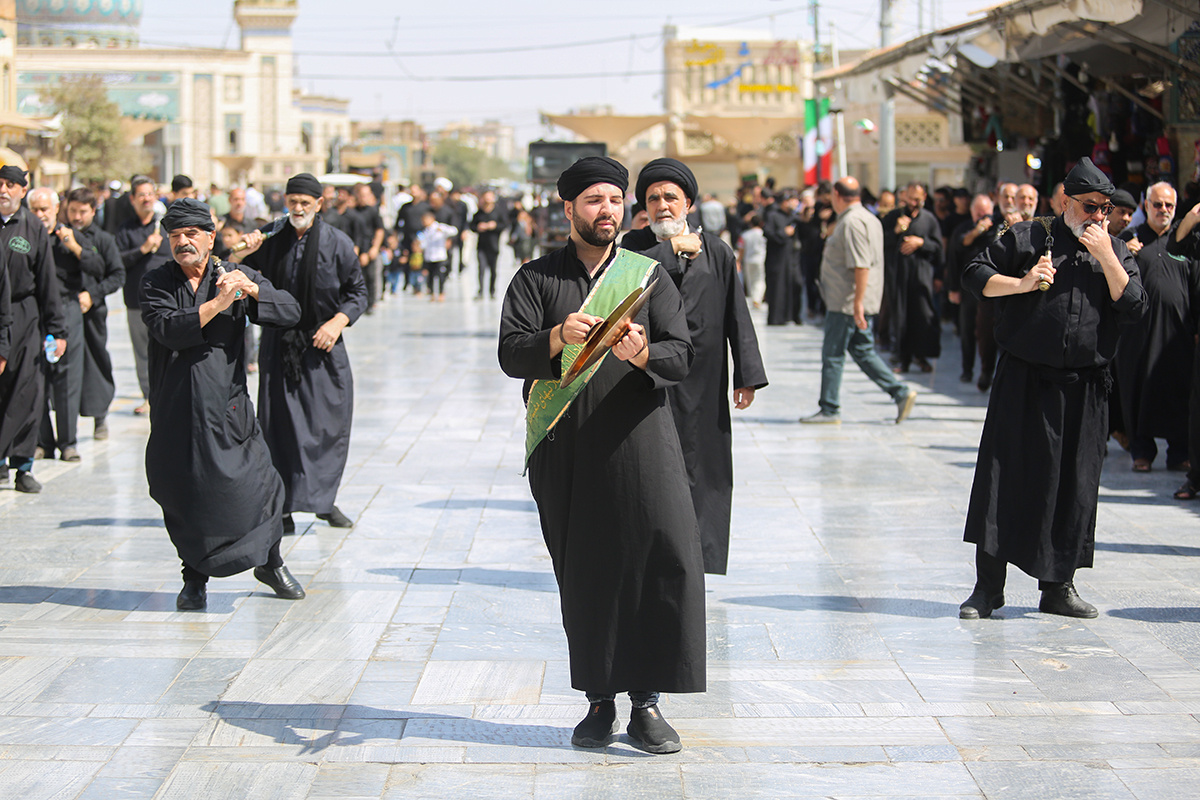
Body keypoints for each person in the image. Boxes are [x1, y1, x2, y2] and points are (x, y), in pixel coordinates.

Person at [498, 156, 704, 754]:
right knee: (585, 574)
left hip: (642, 444)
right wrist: (558, 336)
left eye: (615, 200)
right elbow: (513, 353)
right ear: (568, 209)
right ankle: (598, 702)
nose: (606, 211)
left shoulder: (648, 277)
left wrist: (643, 355)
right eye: (593, 201)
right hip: (566, 449)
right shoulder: (535, 280)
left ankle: (647, 704)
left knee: (653, 560)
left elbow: (681, 355)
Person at [958, 157, 1146, 620]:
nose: (1099, 216)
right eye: (1090, 206)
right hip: (1025, 380)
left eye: (1106, 208)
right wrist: (1022, 284)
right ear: (1065, 200)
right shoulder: (1028, 236)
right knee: (1005, 478)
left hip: (1085, 387)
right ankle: (988, 588)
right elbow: (976, 276)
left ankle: (1058, 586)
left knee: (1075, 486)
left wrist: (1105, 255)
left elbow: (1137, 306)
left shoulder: (1116, 250)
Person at [139, 198, 305, 610]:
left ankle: (271, 562)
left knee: (261, 487)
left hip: (228, 410)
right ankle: (193, 579)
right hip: (177, 409)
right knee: (185, 494)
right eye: (175, 235)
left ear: (211, 237)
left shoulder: (235, 274)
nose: (183, 242)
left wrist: (250, 289)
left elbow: (291, 311)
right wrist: (217, 304)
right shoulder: (156, 281)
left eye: (191, 234)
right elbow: (167, 329)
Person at [621, 157, 768, 575]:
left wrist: (747, 375)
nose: (662, 205)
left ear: (688, 203)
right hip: (646, 373)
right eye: (653, 198)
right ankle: (651, 553)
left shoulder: (718, 251)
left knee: (705, 463)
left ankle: (701, 556)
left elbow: (737, 313)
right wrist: (669, 252)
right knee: (652, 464)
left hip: (703, 378)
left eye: (671, 197)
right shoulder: (632, 248)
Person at [235, 173, 368, 533]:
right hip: (280, 343)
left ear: (319, 205)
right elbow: (232, 264)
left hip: (323, 344)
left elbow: (358, 293)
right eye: (292, 201)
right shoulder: (270, 237)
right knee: (279, 428)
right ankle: (283, 507)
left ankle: (323, 501)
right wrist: (244, 249)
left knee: (329, 425)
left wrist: (337, 323)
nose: (297, 208)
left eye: (305, 203)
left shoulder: (337, 243)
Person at [799, 177, 918, 425]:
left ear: (836, 195)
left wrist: (857, 303)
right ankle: (899, 392)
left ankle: (829, 408)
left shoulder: (853, 222)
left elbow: (861, 264)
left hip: (847, 301)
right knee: (862, 351)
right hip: (853, 300)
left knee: (833, 354)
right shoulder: (866, 218)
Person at [1116, 182, 1198, 473]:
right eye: (1157, 204)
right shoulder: (1130, 238)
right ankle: (1142, 452)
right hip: (1137, 332)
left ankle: (1178, 453)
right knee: (1138, 389)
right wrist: (1124, 252)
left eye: (1169, 206)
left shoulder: (1184, 240)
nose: (1163, 210)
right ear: (1146, 206)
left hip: (1178, 333)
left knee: (1178, 390)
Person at [0, 166, 66, 492]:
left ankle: (23, 467)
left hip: (24, 315)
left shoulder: (32, 229)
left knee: (27, 393)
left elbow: (48, 282)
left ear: (21, 191)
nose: (3, 190)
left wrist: (58, 330)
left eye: (10, 185)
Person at [30, 188, 100, 463]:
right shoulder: (25, 234)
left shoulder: (68, 236)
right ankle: (43, 442)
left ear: (55, 210)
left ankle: (68, 442)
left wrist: (74, 247)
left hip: (66, 308)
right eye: (35, 209)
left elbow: (98, 265)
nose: (40, 215)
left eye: (44, 209)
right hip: (35, 313)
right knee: (36, 377)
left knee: (68, 378)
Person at [67, 187, 124, 442]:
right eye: (72, 211)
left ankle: (99, 416)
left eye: (82, 212)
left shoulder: (103, 240)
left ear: (92, 211)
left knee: (96, 361)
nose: (77, 217)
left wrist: (93, 294)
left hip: (93, 313)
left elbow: (116, 275)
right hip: (64, 312)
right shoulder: (58, 235)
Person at [116, 176, 172, 415]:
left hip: (167, 301)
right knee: (142, 352)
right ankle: (149, 396)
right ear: (133, 199)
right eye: (141, 195)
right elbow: (117, 261)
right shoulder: (125, 229)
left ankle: (169, 395)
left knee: (169, 348)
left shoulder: (167, 226)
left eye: (150, 194)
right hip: (136, 301)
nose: (146, 199)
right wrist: (143, 249)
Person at [883, 182, 943, 373]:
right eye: (910, 198)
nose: (913, 202)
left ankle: (922, 356)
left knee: (923, 315)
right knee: (901, 316)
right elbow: (881, 239)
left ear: (924, 197)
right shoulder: (895, 216)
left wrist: (921, 243)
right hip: (899, 275)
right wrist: (896, 232)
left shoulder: (929, 219)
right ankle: (903, 358)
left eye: (917, 199)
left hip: (921, 275)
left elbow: (938, 247)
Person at [945, 194, 997, 388]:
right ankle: (967, 369)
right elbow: (954, 256)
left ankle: (987, 371)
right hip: (968, 289)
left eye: (985, 212)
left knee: (988, 333)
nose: (982, 215)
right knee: (966, 330)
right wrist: (952, 288)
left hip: (992, 289)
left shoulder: (999, 228)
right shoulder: (964, 229)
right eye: (978, 212)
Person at [763, 190, 799, 326]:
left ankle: (790, 316)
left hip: (791, 258)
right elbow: (768, 232)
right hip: (776, 259)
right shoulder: (773, 215)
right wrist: (783, 233)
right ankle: (776, 318)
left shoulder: (793, 217)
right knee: (777, 288)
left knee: (792, 285)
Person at [353, 183, 385, 312]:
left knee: (371, 277)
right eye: (362, 195)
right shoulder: (352, 212)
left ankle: (370, 304)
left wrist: (375, 248)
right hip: (355, 249)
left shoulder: (373, 211)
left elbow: (379, 230)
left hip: (369, 248)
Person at [415, 210, 457, 302]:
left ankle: (441, 293)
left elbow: (454, 231)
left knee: (440, 276)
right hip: (429, 256)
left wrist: (443, 230)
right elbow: (423, 243)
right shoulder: (425, 231)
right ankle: (432, 293)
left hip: (440, 256)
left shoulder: (440, 227)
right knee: (430, 276)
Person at [470, 190, 505, 300]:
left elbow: (504, 224)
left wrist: (494, 226)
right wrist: (478, 227)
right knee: (481, 268)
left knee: (493, 270)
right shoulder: (479, 213)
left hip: (494, 245)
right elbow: (472, 226)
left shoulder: (498, 212)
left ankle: (492, 291)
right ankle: (480, 291)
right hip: (481, 245)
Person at [738, 214, 767, 305]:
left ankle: (752, 297)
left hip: (748, 259)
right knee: (759, 279)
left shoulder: (745, 234)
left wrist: (739, 260)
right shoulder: (763, 234)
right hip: (760, 259)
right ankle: (757, 298)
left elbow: (741, 248)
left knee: (750, 279)